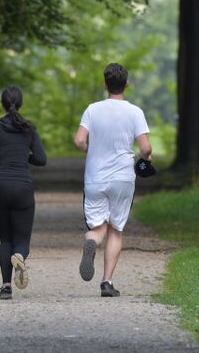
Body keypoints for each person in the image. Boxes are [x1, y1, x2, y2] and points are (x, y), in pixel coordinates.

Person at [73, 63, 152, 297]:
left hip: (95, 177)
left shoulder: (92, 109)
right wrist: (143, 158)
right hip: (123, 177)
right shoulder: (135, 112)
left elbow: (78, 141)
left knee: (98, 228)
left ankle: (91, 241)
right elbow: (146, 148)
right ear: (126, 84)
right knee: (116, 229)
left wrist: (92, 148)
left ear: (105, 84)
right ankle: (107, 282)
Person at [0, 86, 47, 300]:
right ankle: (19, 257)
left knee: (5, 239)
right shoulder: (29, 129)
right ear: (21, 104)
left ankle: (6, 287)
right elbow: (41, 159)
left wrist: (0, 153)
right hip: (22, 188)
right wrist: (23, 156)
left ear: (2, 104)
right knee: (21, 239)